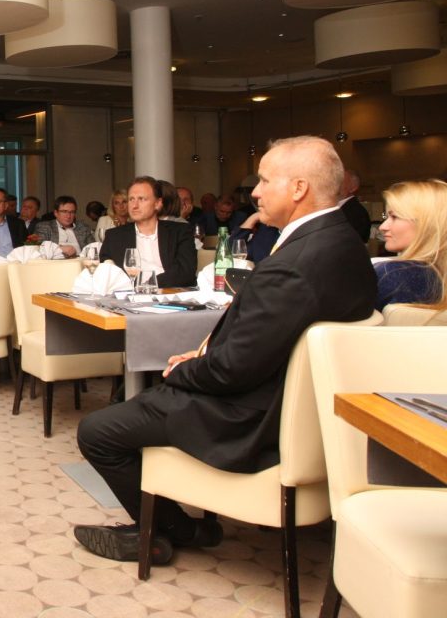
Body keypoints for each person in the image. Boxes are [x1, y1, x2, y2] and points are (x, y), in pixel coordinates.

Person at [74, 136, 377, 564]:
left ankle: (176, 531)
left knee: (98, 431)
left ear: (298, 188)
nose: (255, 193)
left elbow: (232, 370)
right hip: (294, 408)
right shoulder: (344, 244)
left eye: (265, 181)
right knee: (140, 403)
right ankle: (159, 527)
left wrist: (184, 369)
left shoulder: (295, 264)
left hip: (248, 418)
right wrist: (206, 357)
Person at [99, 177, 197, 287]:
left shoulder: (180, 231)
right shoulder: (114, 236)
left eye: (141, 199)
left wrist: (148, 284)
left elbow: (185, 271)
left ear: (158, 204)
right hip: (130, 294)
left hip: (170, 292)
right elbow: (106, 271)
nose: (135, 206)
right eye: (131, 199)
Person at [373, 179, 447, 310]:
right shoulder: (439, 276)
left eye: (394, 217)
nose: (383, 227)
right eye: (386, 217)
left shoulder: (393, 274)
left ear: (427, 224)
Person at [339, 169, 372, 242]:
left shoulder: (357, 213)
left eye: (340, 181)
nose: (334, 184)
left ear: (353, 187)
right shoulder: (337, 208)